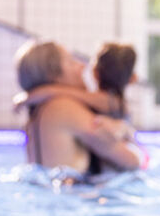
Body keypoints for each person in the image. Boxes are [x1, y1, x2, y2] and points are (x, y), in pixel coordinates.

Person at [14, 40, 145, 176]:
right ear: (55, 76)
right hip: (72, 191)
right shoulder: (65, 108)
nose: (82, 66)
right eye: (71, 62)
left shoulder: (40, 110)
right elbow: (132, 161)